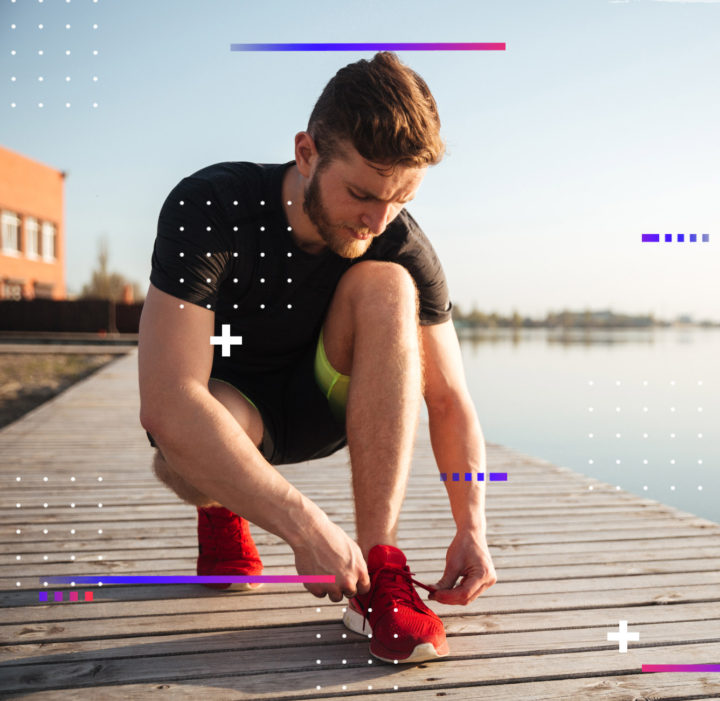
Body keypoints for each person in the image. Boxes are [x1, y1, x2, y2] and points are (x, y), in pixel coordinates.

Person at [137, 52, 496, 664]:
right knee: (182, 447)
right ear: (306, 153)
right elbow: (169, 402)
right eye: (361, 193)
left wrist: (472, 526)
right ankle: (223, 509)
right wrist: (305, 527)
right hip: (234, 408)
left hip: (328, 399)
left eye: (401, 198)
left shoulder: (397, 239)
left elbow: (449, 398)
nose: (378, 219)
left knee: (389, 284)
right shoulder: (213, 207)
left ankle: (381, 566)